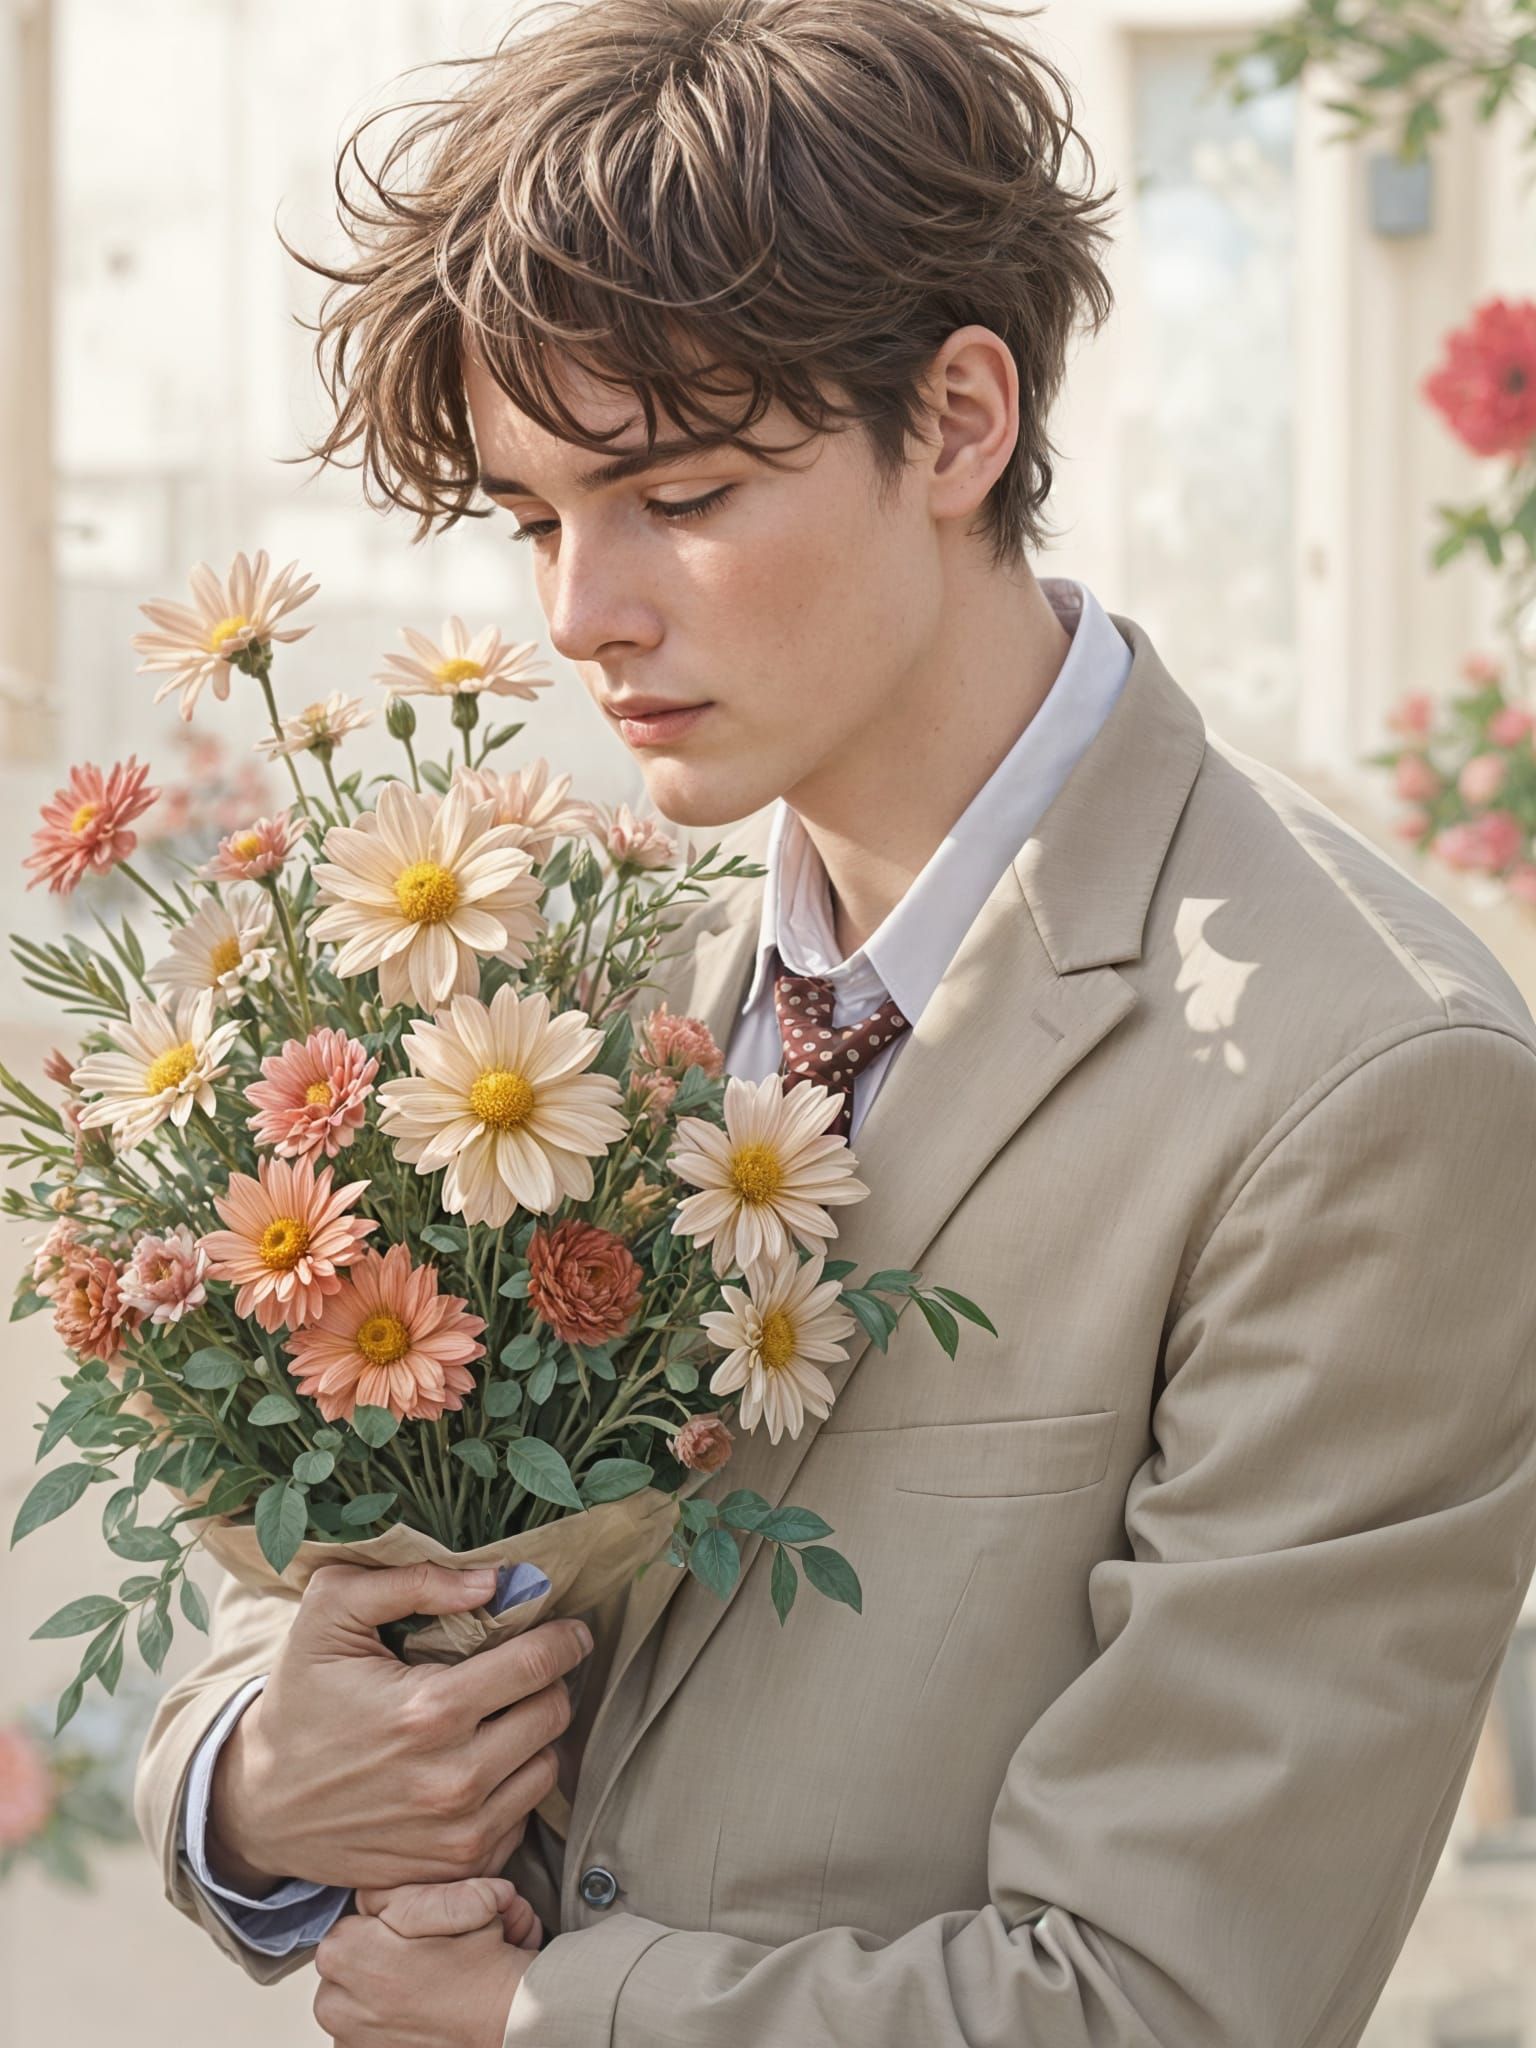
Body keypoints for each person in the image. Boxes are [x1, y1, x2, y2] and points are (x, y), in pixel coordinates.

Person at [134, 0, 1536, 2042]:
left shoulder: (1370, 1083)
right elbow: (300, 1604)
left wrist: (540, 2021)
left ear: (961, 421)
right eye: (535, 517)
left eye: (675, 491)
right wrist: (256, 1780)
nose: (578, 611)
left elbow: (1168, 1999)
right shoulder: (556, 976)